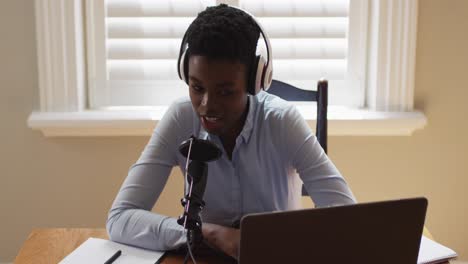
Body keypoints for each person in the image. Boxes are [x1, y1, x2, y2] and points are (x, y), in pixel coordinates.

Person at [106, 4, 356, 260]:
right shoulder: (181, 117)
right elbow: (120, 218)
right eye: (197, 87)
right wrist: (209, 233)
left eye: (225, 92)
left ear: (254, 81)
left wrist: (271, 241)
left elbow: (347, 217)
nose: (207, 106)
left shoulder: (283, 121)